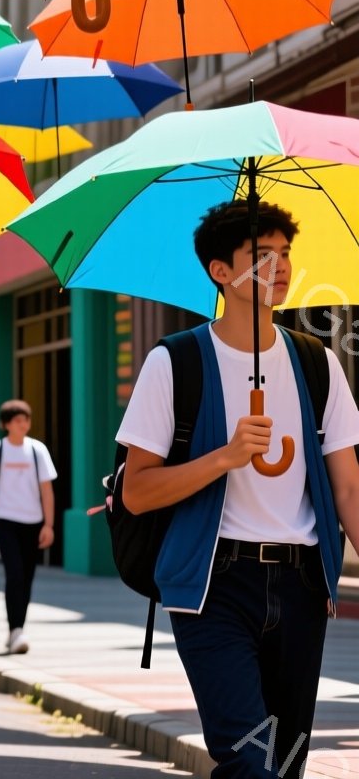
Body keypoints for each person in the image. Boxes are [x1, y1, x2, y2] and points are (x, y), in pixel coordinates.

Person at [117, 201, 359, 779]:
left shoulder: (318, 362)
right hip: (214, 585)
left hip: (303, 584)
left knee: (289, 761)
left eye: (285, 254)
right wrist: (224, 457)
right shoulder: (174, 361)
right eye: (261, 256)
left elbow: (348, 489)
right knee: (249, 759)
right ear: (220, 272)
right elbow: (137, 491)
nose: (280, 267)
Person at [0, 399, 56, 655]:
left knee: (27, 578)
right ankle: (16, 630)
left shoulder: (37, 450)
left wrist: (48, 524)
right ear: (6, 424)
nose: (23, 424)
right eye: (17, 420)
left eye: (25, 419)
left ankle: (17, 628)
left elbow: (46, 490)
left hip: (33, 522)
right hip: (5, 522)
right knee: (14, 574)